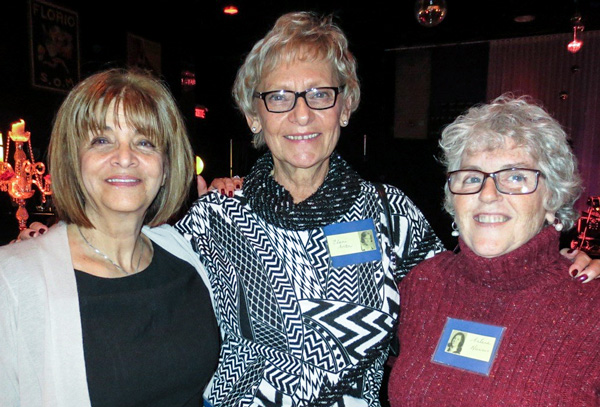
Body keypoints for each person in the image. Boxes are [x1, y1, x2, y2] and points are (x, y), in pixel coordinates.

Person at [0, 68, 220, 406]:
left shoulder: (185, 253)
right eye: (101, 140)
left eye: (145, 142)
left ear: (166, 167)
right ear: (73, 159)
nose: (125, 158)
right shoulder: (12, 282)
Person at [388, 94, 600, 405]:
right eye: (473, 177)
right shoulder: (424, 284)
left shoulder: (591, 309)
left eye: (515, 176)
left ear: (552, 198)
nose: (488, 194)